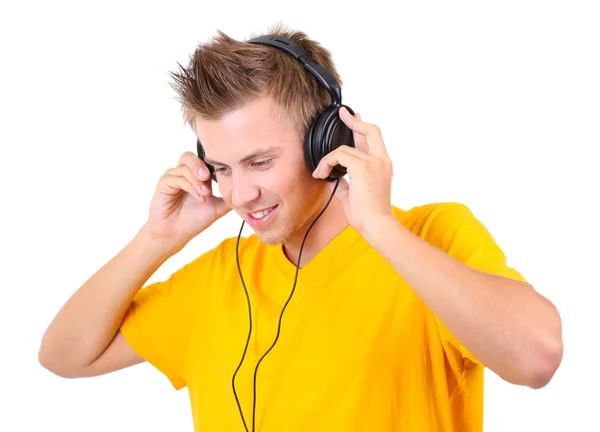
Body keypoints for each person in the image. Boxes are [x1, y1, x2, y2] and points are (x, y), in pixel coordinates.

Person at [38, 23, 563, 432]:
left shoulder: (431, 236)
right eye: (222, 168)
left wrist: (379, 226)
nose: (240, 195)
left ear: (327, 142)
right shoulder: (219, 279)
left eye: (260, 162)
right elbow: (63, 356)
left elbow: (537, 359)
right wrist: (156, 240)